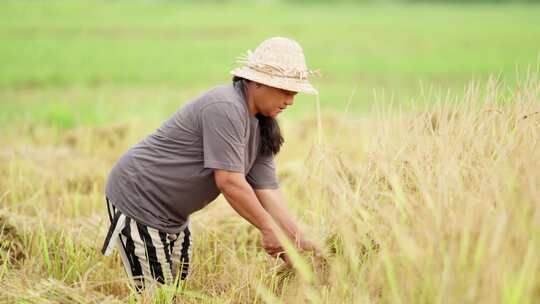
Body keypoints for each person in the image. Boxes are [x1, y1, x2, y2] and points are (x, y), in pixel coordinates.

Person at [100, 37, 320, 293]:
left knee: (176, 288)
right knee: (156, 295)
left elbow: (267, 190)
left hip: (174, 215)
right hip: (140, 196)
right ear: (259, 82)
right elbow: (229, 181)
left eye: (294, 93)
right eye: (286, 91)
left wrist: (297, 239)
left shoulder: (262, 124)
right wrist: (268, 228)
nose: (291, 100)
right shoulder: (225, 107)